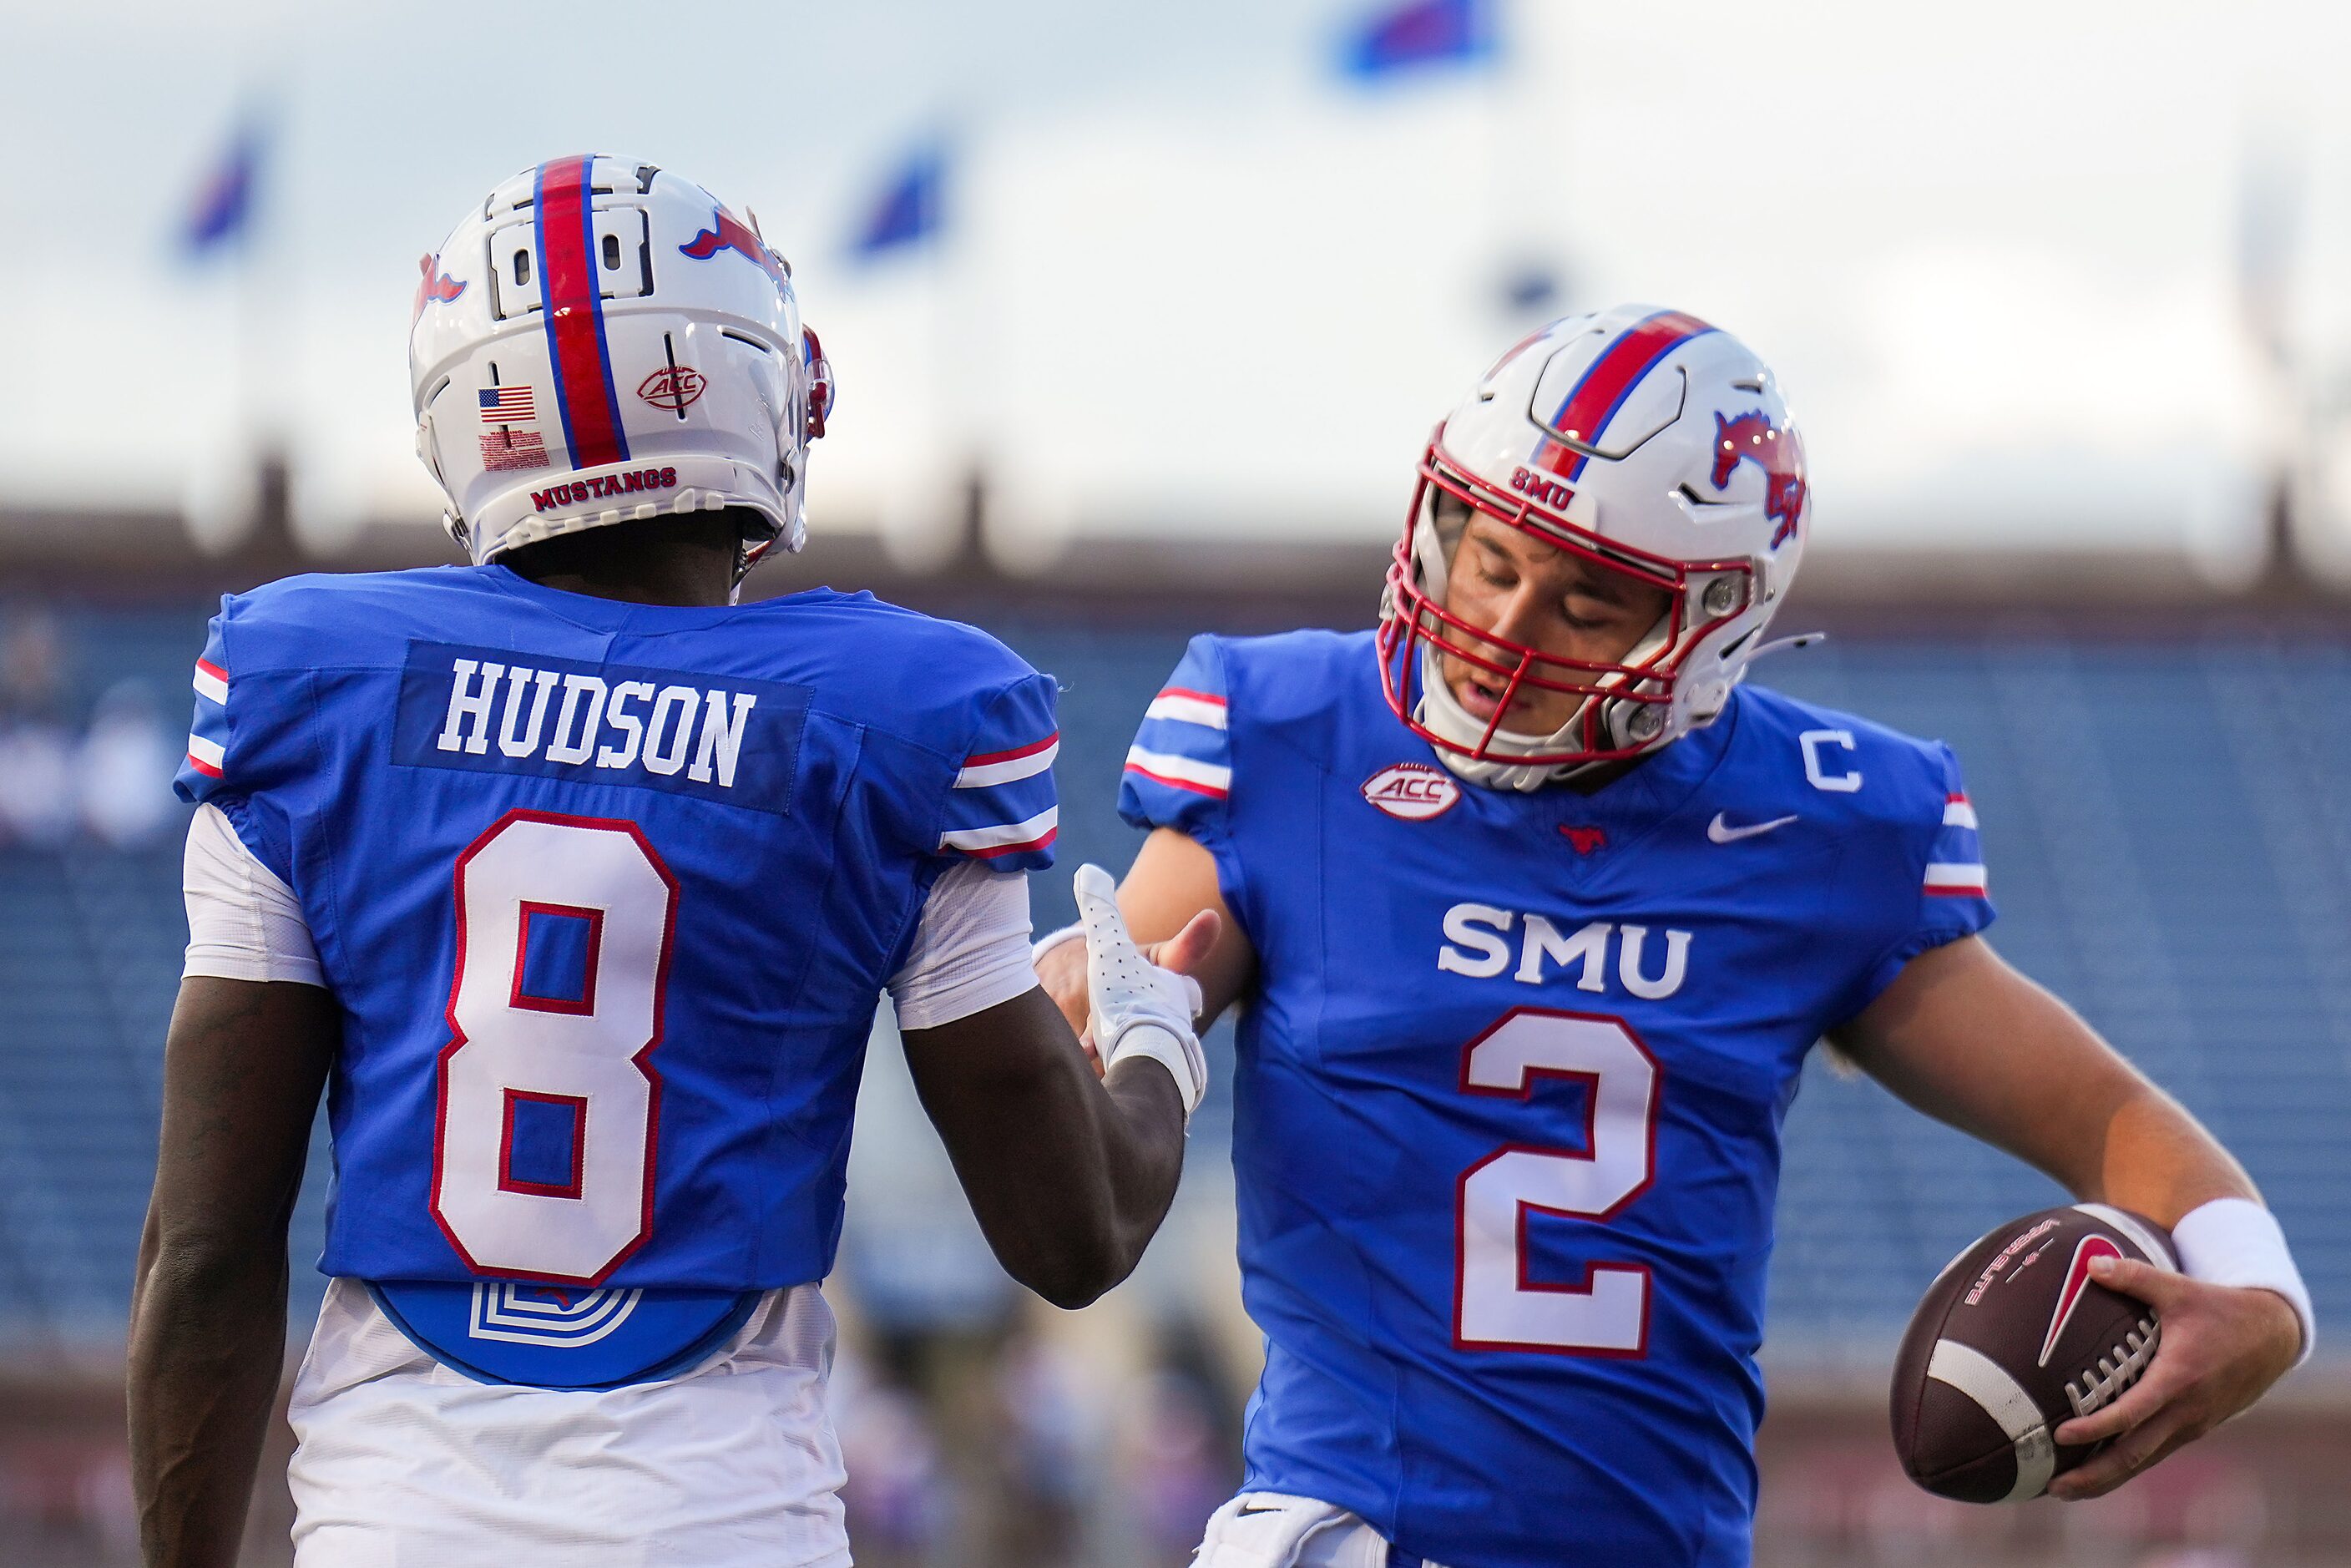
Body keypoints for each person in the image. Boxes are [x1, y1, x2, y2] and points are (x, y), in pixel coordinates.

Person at [1036, 306, 2315, 1568]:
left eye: (1586, 601)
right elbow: (1109, 1051)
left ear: (1710, 627)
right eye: (1488, 554)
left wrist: (2265, 1301)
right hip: (1351, 1533)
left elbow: (2111, 1122)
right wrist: (1078, 1017)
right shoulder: (1290, 739)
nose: (1508, 627)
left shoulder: (1817, 823)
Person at [125, 154, 1211, 1568]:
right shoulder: (890, 713)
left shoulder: (308, 679)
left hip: (398, 1516)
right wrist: (1153, 1040)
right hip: (717, 1514)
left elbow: (207, 1252)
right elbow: (1075, 1237)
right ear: (760, 396)